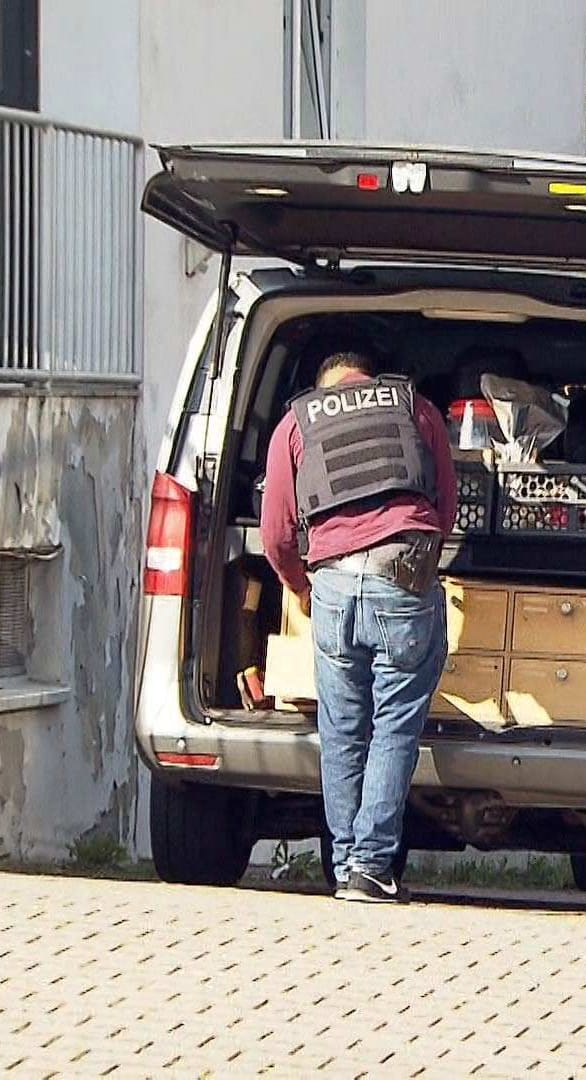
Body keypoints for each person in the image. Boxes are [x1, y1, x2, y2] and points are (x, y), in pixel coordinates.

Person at [260, 345, 457, 904]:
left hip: (332, 583)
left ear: (328, 384)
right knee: (394, 725)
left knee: (343, 730)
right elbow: (444, 507)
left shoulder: (296, 423)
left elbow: (275, 530)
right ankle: (369, 864)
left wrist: (299, 585)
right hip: (403, 574)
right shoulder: (415, 409)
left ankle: (348, 865)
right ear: (369, 379)